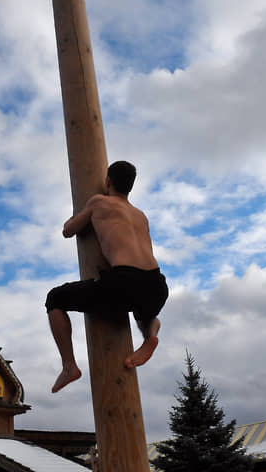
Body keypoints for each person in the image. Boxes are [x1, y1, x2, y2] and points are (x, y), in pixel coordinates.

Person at [45, 161, 169, 393]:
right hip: (157, 284)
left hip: (123, 281)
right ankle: (150, 336)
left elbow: (68, 231)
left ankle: (69, 366)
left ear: (108, 181)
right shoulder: (141, 215)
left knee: (55, 298)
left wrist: (74, 219)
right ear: (130, 186)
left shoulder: (99, 202)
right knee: (146, 314)